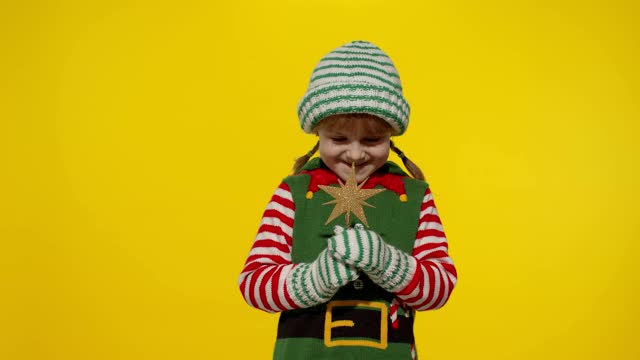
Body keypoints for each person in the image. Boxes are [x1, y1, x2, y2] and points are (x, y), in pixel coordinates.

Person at [238, 40, 457, 360]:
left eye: (372, 139)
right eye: (338, 139)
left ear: (392, 134)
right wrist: (314, 279)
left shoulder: (414, 197)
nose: (355, 154)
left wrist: (387, 262)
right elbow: (253, 284)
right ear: (317, 132)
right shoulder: (294, 193)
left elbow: (440, 287)